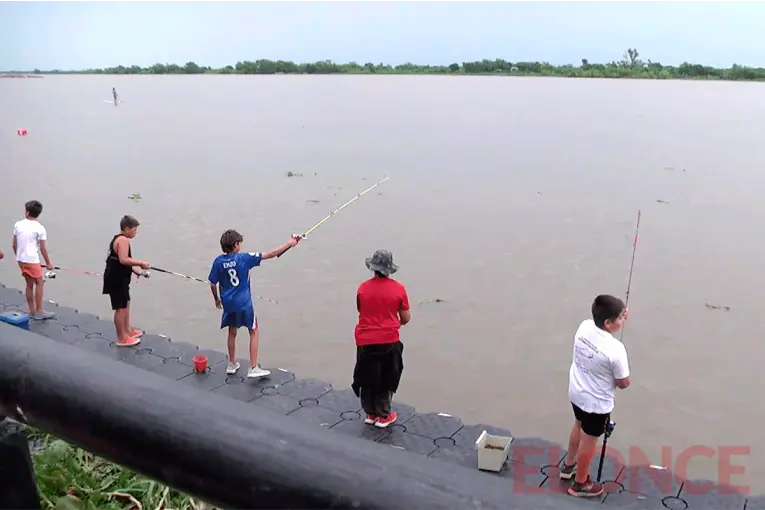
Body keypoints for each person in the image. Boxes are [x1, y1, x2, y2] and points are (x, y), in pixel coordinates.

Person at [560, 294, 631, 498]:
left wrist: (618, 315)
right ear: (608, 323)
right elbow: (624, 383)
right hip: (596, 404)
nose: (623, 320)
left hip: (576, 392)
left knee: (578, 425)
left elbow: (603, 323)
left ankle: (568, 466)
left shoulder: (584, 327)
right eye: (620, 318)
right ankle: (581, 483)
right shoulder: (616, 349)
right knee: (589, 440)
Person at [208, 230, 300, 379]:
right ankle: (253, 367)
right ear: (236, 245)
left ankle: (231, 364)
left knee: (232, 331)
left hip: (228, 303)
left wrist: (216, 300)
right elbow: (271, 254)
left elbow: (213, 283)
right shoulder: (244, 258)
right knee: (254, 330)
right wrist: (290, 243)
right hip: (244, 303)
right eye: (239, 243)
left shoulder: (218, 262)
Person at [351, 250, 410, 428]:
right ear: (389, 269)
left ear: (373, 268)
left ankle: (370, 413)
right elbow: (406, 317)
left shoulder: (363, 288)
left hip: (365, 340)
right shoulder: (398, 289)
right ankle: (384, 415)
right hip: (388, 341)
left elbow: (361, 310)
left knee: (366, 375)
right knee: (387, 377)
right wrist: (395, 323)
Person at [102, 215, 150, 347]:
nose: (135, 233)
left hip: (121, 277)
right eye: (134, 230)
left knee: (126, 303)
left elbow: (118, 259)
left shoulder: (119, 238)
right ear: (127, 229)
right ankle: (121, 337)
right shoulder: (122, 240)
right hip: (116, 278)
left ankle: (127, 330)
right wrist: (140, 263)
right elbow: (123, 259)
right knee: (120, 307)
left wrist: (134, 270)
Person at [12, 200, 55, 319]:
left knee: (29, 284)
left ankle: (31, 310)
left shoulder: (18, 224)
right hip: (32, 259)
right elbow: (42, 248)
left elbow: (14, 244)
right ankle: (39, 311)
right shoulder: (40, 228)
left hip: (21, 259)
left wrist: (19, 257)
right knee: (39, 283)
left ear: (27, 212)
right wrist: (48, 263)